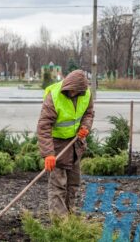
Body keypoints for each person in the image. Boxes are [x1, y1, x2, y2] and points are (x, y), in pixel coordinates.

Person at [37, 70, 94, 217]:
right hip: (57, 146)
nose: (73, 93)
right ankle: (60, 223)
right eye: (72, 90)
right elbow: (44, 126)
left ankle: (69, 214)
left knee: (73, 183)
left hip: (75, 145)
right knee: (58, 186)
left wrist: (85, 127)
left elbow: (89, 113)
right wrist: (48, 154)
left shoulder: (86, 94)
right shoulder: (54, 97)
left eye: (77, 91)